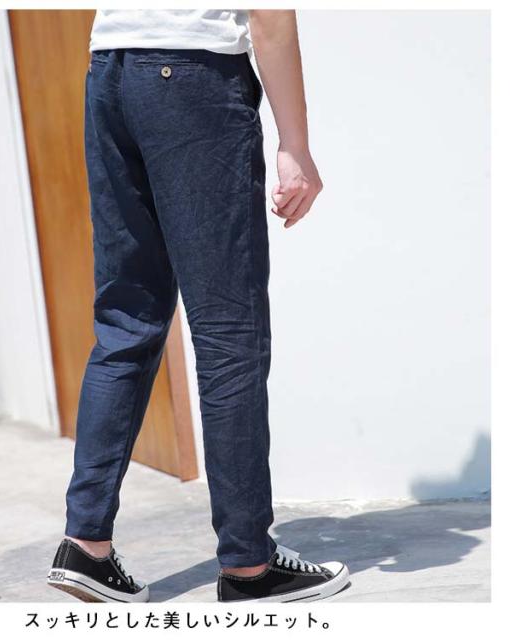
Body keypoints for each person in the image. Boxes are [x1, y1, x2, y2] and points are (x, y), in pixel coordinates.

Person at [47, 9, 350, 603]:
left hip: (109, 72)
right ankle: (249, 566)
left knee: (126, 322)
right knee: (228, 332)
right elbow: (269, 17)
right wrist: (295, 144)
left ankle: (85, 546)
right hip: (192, 79)